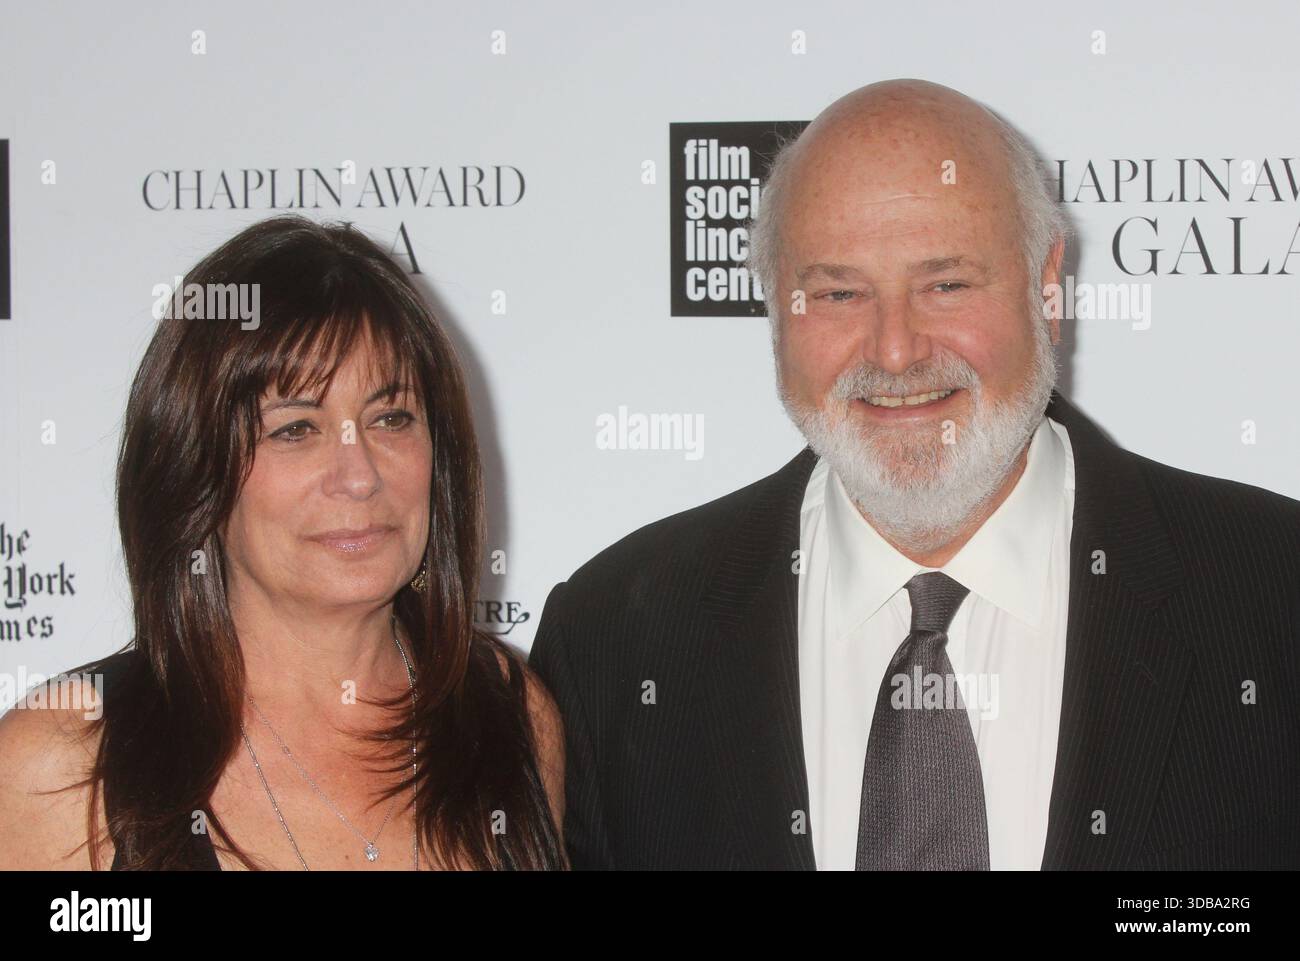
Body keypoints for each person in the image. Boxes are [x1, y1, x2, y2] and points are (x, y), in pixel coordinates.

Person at [528, 79, 1300, 870]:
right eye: (838, 292)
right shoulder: (614, 642)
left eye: (947, 284)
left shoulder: (1275, 594)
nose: (895, 350)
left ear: (1048, 286)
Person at [0, 214, 566, 870]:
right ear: (194, 471)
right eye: (296, 429)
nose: (359, 475)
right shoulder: (63, 769)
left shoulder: (511, 718)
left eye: (390, 417)